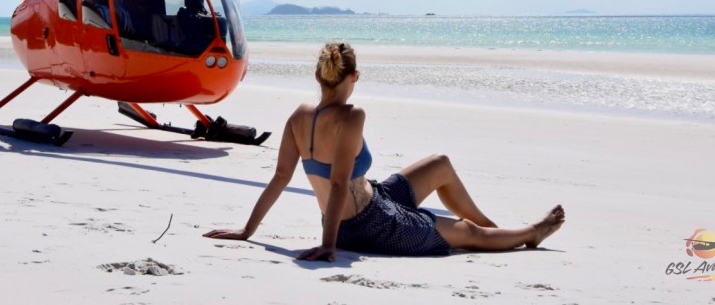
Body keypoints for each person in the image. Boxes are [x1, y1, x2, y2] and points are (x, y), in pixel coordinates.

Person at [203, 41, 565, 260]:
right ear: (353, 77)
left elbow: (281, 178)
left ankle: (498, 234)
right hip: (373, 225)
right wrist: (330, 246)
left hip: (377, 199)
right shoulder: (351, 116)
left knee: (440, 163)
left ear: (319, 77)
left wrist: (248, 231)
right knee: (466, 234)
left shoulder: (300, 115)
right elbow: (340, 184)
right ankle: (527, 233)